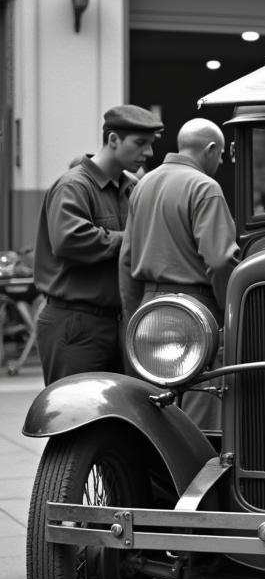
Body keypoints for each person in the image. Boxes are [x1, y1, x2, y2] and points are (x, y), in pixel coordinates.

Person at [120, 117, 238, 429]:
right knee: (202, 406)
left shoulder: (143, 185)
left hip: (149, 307)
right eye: (222, 154)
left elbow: (126, 259)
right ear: (211, 150)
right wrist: (231, 314)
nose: (221, 161)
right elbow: (220, 260)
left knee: (157, 408)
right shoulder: (204, 187)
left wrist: (135, 315)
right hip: (197, 309)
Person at [33, 104, 162, 384]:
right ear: (113, 140)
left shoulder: (133, 189)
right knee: (74, 418)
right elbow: (70, 240)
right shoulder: (74, 186)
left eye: (151, 145)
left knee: (121, 418)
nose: (149, 153)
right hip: (75, 323)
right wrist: (130, 239)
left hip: (118, 322)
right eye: (140, 143)